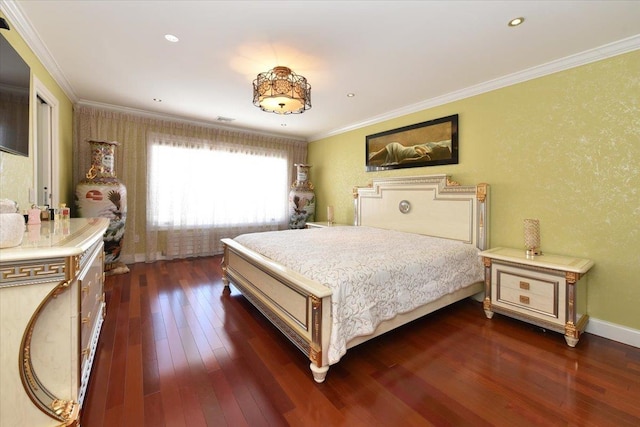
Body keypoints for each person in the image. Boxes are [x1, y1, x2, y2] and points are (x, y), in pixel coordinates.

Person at [368, 140, 452, 165]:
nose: (438, 146)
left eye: (439, 148)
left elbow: (403, 162)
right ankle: (368, 160)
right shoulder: (428, 150)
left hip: (397, 152)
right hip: (397, 148)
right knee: (371, 158)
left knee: (372, 159)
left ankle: (369, 160)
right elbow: (417, 147)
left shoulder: (425, 158)